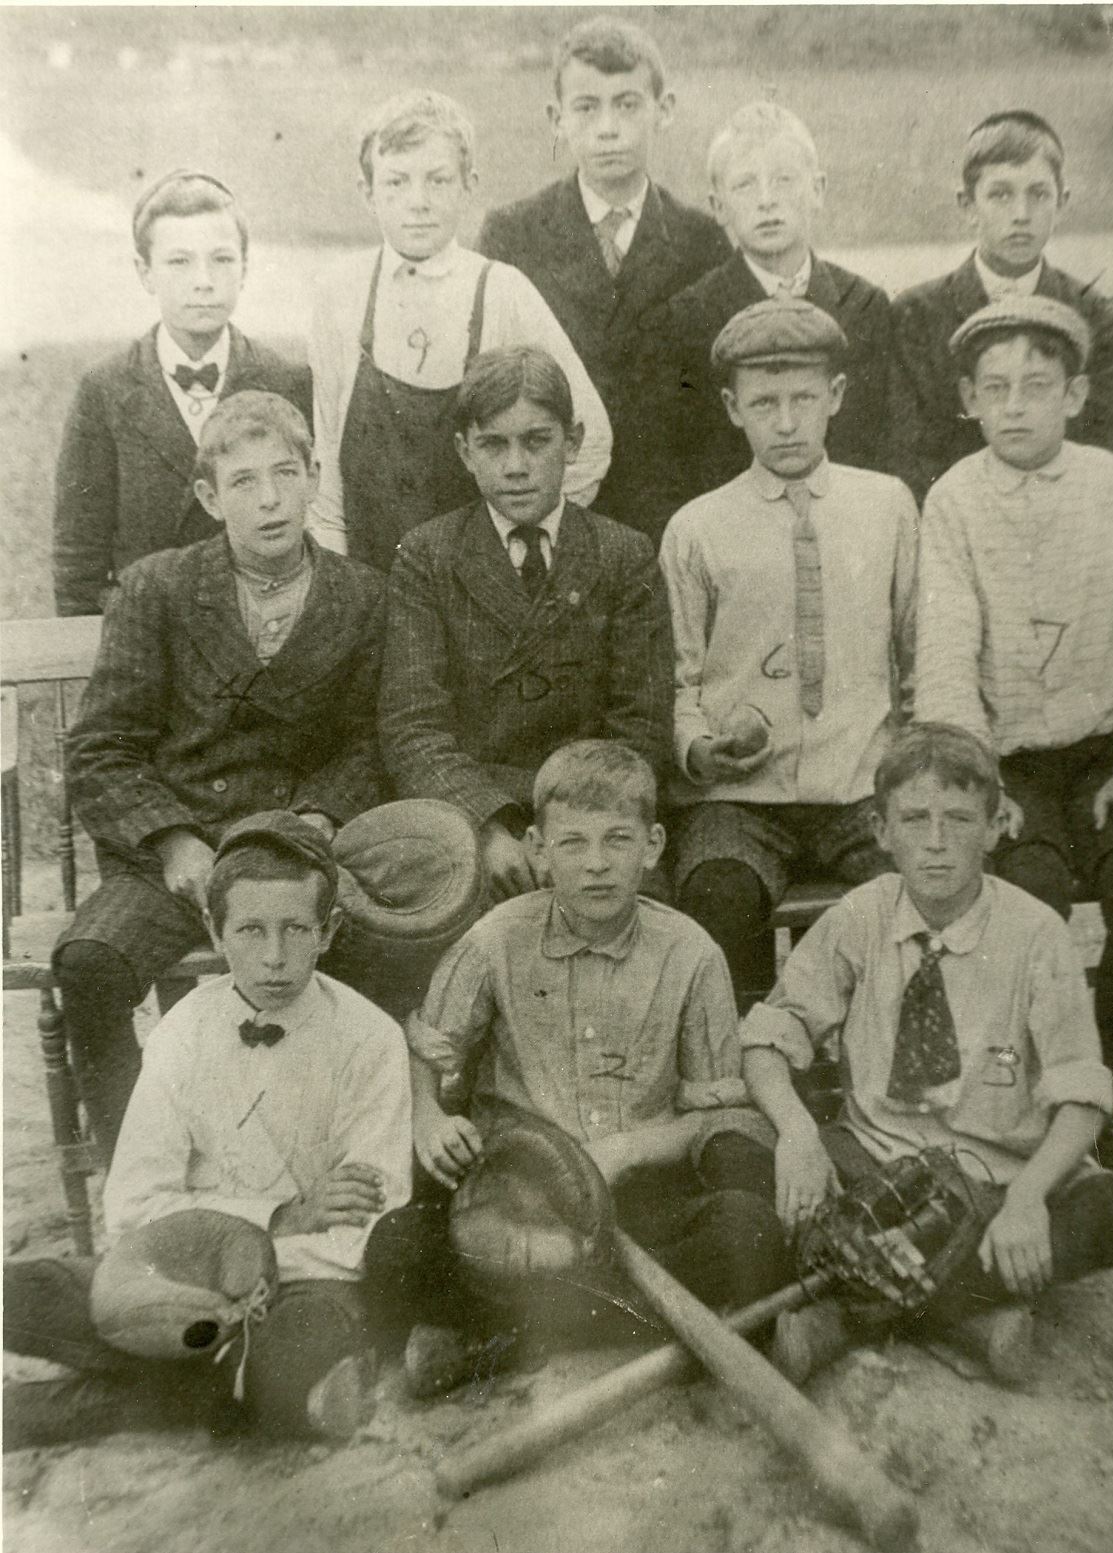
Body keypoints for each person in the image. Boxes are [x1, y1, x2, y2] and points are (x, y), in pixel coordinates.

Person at [364, 741, 787, 1394]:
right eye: (573, 843)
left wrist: (627, 1148)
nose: (596, 865)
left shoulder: (691, 952)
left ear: (652, 845)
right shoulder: (493, 939)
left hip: (640, 1196)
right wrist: (426, 1114)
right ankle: (645, 1325)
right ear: (536, 848)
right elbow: (426, 1045)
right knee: (396, 1247)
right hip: (520, 1201)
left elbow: (719, 1113)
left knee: (750, 1229)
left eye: (618, 840)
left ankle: (504, 1339)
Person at [743, 724, 1113, 1385]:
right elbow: (769, 1036)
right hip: (878, 1161)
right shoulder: (860, 914)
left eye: (959, 819)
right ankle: (969, 1316)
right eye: (914, 818)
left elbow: (1081, 1098)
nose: (935, 841)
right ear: (880, 830)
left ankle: (846, 1315)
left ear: (994, 828)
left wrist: (1027, 1200)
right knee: (757, 1159)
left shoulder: (1036, 933)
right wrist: (796, 1134)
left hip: (997, 1178)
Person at [915, 295, 1113, 1243]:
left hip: (1108, 753)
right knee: (1027, 887)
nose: (1017, 407)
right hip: (1007, 764)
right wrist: (976, 793)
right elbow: (947, 661)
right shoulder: (953, 498)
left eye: (1038, 386)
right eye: (995, 389)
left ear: (1076, 393)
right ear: (968, 399)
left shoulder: (1112, 486)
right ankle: (1034, 1119)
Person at [4, 814, 412, 1446]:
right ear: (215, 933)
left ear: (327, 933)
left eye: (295, 929)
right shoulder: (182, 1034)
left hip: (309, 1288)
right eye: (250, 930)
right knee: (26, 1289)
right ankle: (197, 1371)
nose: (274, 957)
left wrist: (234, 1266)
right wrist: (280, 1216)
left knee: (280, 1364)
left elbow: (360, 1236)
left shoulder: (372, 1040)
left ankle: (74, 1406)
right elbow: (135, 1208)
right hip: (178, 1271)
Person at [55, 390, 387, 1162]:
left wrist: (320, 823)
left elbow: (374, 742)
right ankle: (140, 1163)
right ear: (209, 496)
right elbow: (100, 749)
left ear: (313, 477)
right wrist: (172, 843)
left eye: (285, 473)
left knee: (383, 952)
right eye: (243, 482)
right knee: (91, 962)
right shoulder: (157, 589)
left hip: (304, 851)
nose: (270, 499)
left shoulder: (363, 595)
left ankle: (341, 1153)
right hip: (181, 855)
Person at [660, 298, 917, 1006]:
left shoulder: (887, 507)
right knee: (717, 894)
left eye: (803, 398)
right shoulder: (697, 528)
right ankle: (751, 1085)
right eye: (763, 401)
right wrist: (698, 748)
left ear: (834, 396)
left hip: (859, 784)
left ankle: (863, 1078)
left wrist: (909, 767)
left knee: (906, 896)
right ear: (731, 406)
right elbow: (679, 678)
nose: (784, 421)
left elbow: (917, 656)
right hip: (740, 798)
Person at [378, 345, 673, 905]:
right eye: (494, 444)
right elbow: (412, 726)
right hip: (476, 820)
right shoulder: (427, 556)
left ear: (573, 441)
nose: (516, 466)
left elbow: (642, 726)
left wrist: (574, 838)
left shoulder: (623, 556)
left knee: (642, 919)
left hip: (594, 822)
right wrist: (485, 827)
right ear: (465, 452)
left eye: (537, 440)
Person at [307, 88, 611, 572]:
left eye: (438, 180)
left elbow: (590, 440)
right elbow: (325, 475)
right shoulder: (340, 295)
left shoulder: (501, 290)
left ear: (470, 184)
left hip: (477, 595)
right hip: (367, 581)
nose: (418, 202)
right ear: (367, 193)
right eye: (396, 183)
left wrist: (522, 551)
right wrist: (340, 585)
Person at [477, 15, 729, 535]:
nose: (608, 127)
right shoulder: (513, 234)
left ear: (665, 110)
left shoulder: (704, 241)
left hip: (670, 514)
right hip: (554, 512)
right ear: (556, 117)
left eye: (628, 104)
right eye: (586, 107)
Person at [53, 169, 311, 617]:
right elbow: (79, 555)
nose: (203, 280)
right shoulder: (105, 390)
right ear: (145, 272)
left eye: (222, 259)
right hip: (150, 639)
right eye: (179, 262)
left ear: (245, 269)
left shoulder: (287, 381)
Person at [640, 101, 892, 542]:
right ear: (718, 207)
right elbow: (673, 464)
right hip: (736, 538)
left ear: (818, 190)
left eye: (784, 180)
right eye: (745, 185)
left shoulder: (864, 306)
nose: (767, 200)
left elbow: (875, 445)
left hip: (844, 532)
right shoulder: (688, 317)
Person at [889, 110, 1113, 507]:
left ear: (1062, 202)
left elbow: (1111, 451)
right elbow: (911, 462)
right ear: (968, 206)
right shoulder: (917, 314)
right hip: (959, 527)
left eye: (1039, 194)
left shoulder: (1089, 312)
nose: (1021, 214)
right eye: (1000, 195)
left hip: (1065, 522)